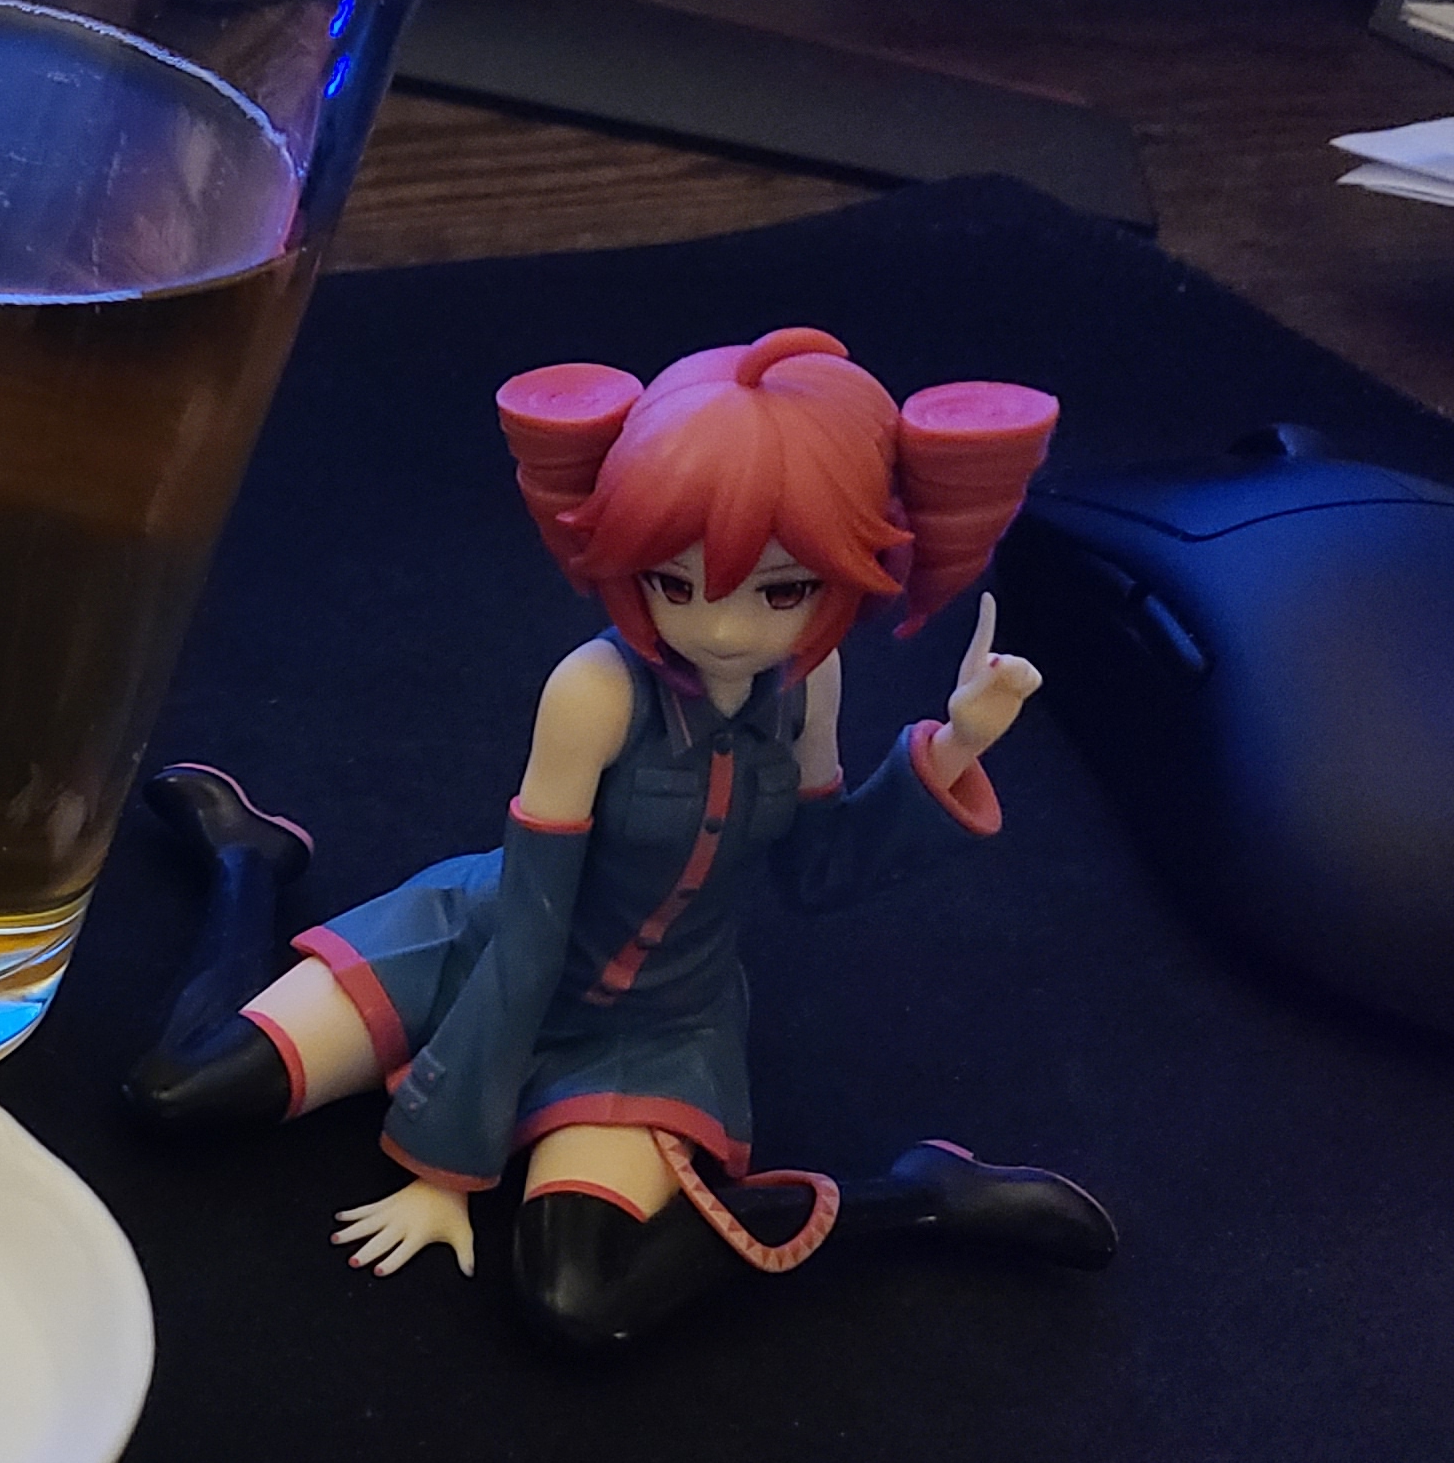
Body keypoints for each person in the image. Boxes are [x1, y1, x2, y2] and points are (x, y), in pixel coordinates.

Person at [123, 326, 1116, 1352]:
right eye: (672, 583)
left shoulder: (809, 682)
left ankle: (924, 1198)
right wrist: (444, 1161)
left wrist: (954, 749)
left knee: (579, 1302)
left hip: (653, 1030)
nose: (721, 628)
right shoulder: (593, 691)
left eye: (782, 590)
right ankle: (246, 862)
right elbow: (531, 929)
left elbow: (818, 868)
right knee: (178, 1090)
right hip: (466, 947)